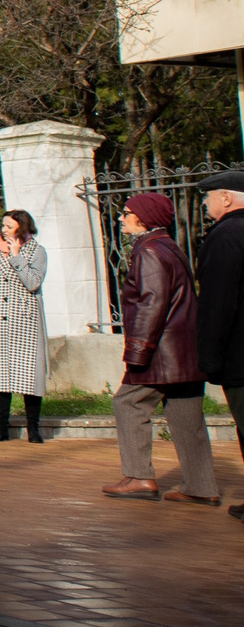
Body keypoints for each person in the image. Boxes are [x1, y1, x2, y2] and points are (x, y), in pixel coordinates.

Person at [104, 192, 219, 505]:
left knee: (128, 402)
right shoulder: (168, 245)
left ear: (143, 218)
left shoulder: (150, 250)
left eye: (126, 213)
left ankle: (140, 476)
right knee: (186, 416)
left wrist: (138, 352)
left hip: (161, 354)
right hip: (184, 352)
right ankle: (200, 486)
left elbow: (151, 304)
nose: (120, 218)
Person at [194, 171, 244, 519]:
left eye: (208, 197)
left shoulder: (226, 235)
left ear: (226, 198)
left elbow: (218, 301)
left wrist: (209, 355)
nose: (205, 203)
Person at [0, 209, 49, 442]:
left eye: (9, 226)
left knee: (29, 375)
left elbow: (33, 283)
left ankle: (33, 428)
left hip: (24, 319)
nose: (4, 230)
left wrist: (16, 256)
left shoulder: (37, 252)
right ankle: (1, 427)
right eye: (4, 225)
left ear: (22, 227)